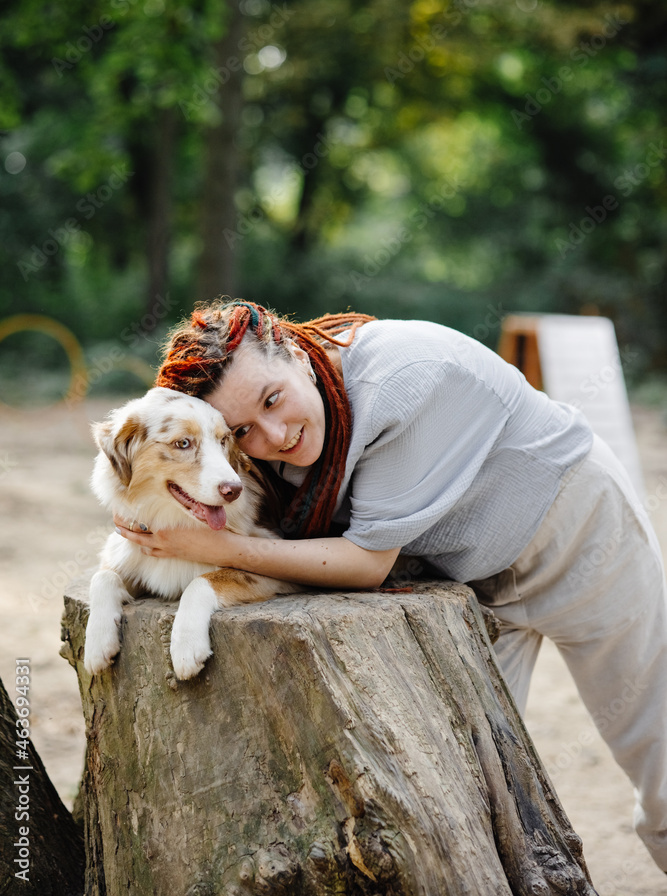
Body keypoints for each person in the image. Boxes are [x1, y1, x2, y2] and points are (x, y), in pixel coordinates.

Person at [116, 298, 667, 873]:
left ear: (298, 355)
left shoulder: (406, 379)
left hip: (579, 537)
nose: (274, 436)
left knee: (656, 753)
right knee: (472, 781)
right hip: (468, 584)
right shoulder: (267, 441)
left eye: (272, 399)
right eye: (243, 430)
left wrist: (214, 550)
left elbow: (365, 563)